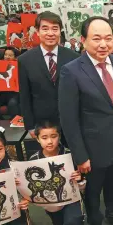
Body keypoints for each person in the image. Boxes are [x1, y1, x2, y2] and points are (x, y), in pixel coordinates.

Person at [58, 16, 113, 225]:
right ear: (83, 40)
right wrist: (80, 156)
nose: (104, 44)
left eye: (108, 38)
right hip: (92, 149)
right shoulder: (71, 71)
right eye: (97, 38)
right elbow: (68, 119)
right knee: (92, 193)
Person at [18, 11, 79, 140]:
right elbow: (24, 95)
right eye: (45, 29)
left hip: (70, 120)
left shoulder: (73, 57)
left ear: (60, 31)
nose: (50, 33)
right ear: (37, 31)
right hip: (42, 123)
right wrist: (29, 125)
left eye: (55, 29)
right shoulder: (25, 60)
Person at [29, 121, 85, 225]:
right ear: (37, 139)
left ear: (59, 136)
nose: (50, 141)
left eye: (53, 136)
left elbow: (83, 186)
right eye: (44, 137)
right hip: (51, 203)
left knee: (73, 224)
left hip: (71, 199)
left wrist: (80, 179)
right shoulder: (33, 160)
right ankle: (66, 221)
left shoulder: (70, 155)